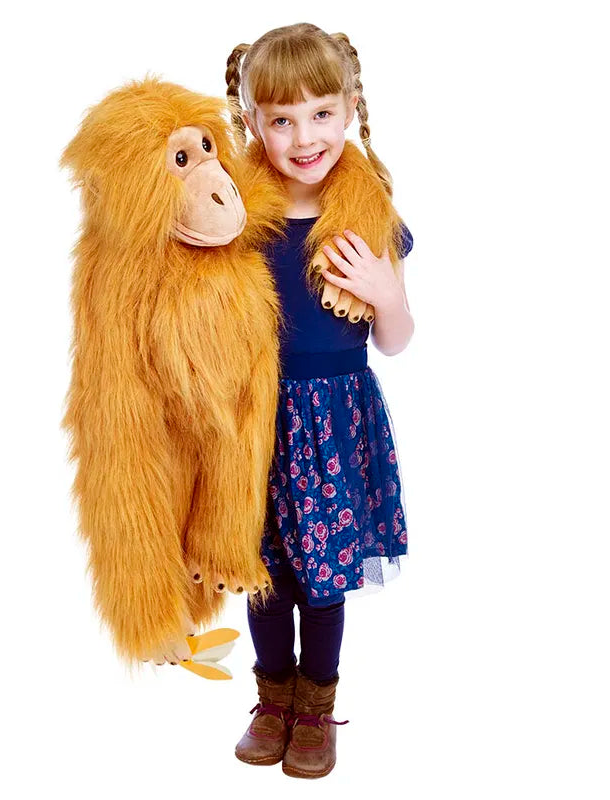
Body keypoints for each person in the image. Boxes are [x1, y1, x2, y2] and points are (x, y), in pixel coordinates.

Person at [223, 23, 415, 779]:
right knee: (264, 570)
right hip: (255, 421)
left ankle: (315, 707)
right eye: (281, 119)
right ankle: (272, 700)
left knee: (321, 575)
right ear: (252, 124)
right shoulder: (235, 218)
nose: (305, 137)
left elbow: (396, 339)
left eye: (321, 113)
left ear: (350, 107)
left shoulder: (364, 220)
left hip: (333, 423)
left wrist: (385, 293)